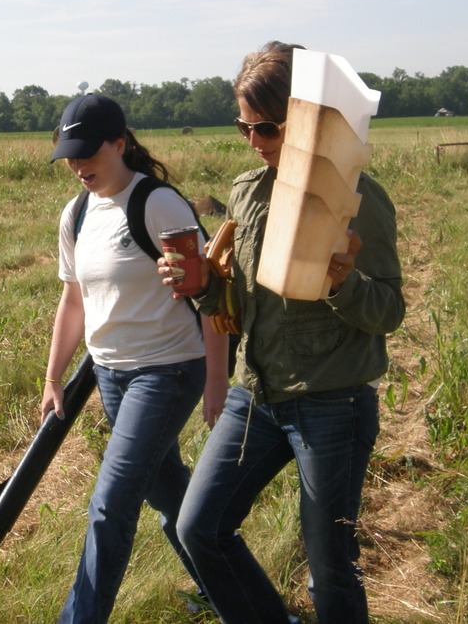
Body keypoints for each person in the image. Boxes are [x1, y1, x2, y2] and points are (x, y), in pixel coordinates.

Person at [166, 42, 405, 623]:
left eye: (266, 129)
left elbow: (390, 311)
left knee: (329, 568)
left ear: (303, 122)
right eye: (243, 128)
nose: (253, 142)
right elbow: (239, 309)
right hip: (259, 395)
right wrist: (201, 286)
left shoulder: (357, 198)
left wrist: (340, 285)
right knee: (199, 527)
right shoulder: (247, 194)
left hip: (333, 402)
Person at [41, 93, 229, 624]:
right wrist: (53, 375)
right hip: (111, 376)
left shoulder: (157, 204)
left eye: (88, 154)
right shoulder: (76, 215)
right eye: (70, 157)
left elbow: (210, 292)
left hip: (168, 370)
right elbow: (74, 298)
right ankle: (232, 591)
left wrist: (216, 378)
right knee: (169, 495)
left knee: (112, 501)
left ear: (120, 144)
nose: (78, 167)